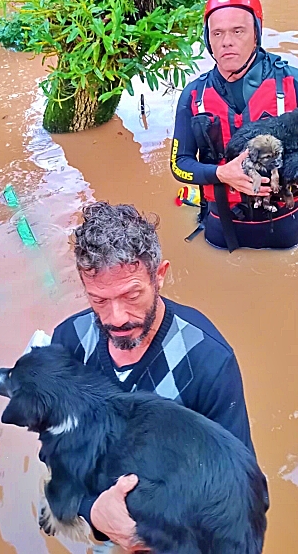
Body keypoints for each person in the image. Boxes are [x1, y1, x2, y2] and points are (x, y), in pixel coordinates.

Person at [49, 201, 261, 550]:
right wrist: (94, 512)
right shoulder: (68, 344)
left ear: (159, 275)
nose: (116, 317)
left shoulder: (207, 362)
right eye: (99, 300)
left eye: (132, 295)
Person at [171, 0, 298, 251]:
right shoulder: (193, 95)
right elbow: (179, 165)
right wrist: (222, 174)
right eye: (217, 33)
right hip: (221, 225)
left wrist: (289, 174)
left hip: (285, 224)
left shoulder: (296, 83)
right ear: (208, 40)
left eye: (237, 31)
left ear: (256, 35)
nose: (226, 41)